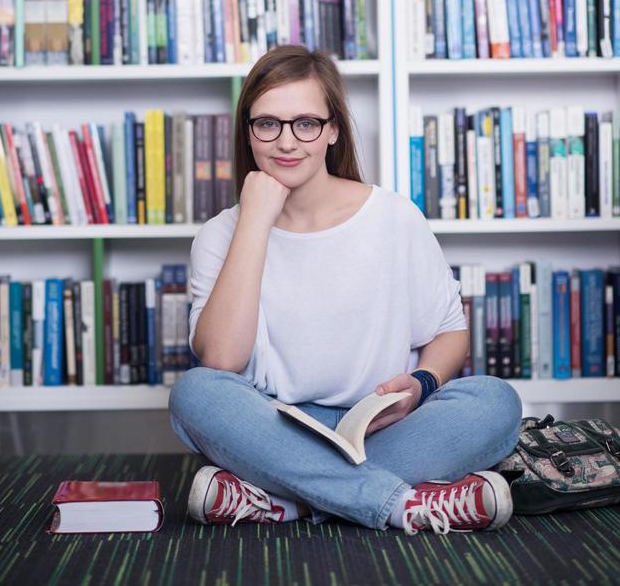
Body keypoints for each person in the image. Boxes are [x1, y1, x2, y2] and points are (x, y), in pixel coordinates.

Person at [169, 45, 522, 534]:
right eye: (267, 123)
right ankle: (398, 504)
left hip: (380, 425)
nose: (286, 142)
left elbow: (448, 334)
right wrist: (254, 219)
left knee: (495, 402)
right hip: (272, 428)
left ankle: (284, 499)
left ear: (332, 130)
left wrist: (419, 385)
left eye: (306, 123)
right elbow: (222, 361)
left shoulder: (394, 217)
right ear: (247, 131)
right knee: (196, 392)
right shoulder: (222, 233)